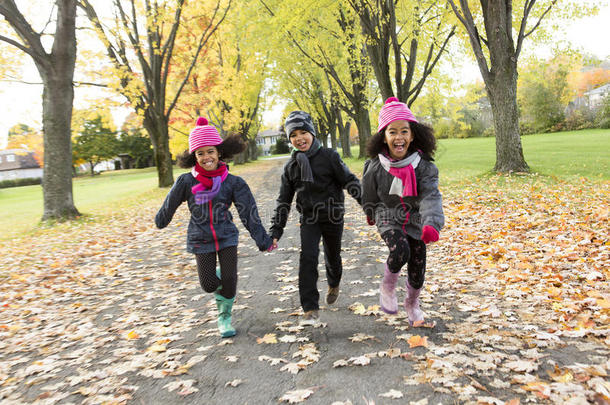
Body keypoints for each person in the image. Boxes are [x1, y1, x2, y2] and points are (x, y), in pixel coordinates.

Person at [155, 117, 274, 338]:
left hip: (226, 236)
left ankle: (224, 317)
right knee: (209, 284)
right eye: (200, 153)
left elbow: (249, 213)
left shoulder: (233, 182)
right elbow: (169, 204)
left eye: (210, 151)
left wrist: (263, 240)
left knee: (229, 281)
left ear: (219, 152)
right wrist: (161, 219)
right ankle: (218, 276)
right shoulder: (186, 182)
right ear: (194, 157)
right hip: (200, 238)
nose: (206, 157)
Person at [270, 110, 362, 324]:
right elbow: (283, 201)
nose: (299, 138)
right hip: (309, 219)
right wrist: (275, 231)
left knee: (333, 257)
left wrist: (368, 206)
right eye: (293, 135)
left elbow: (350, 181)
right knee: (308, 257)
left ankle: (334, 282)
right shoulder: (291, 167)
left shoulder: (329, 157)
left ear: (312, 132)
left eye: (303, 132)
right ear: (289, 139)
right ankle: (310, 307)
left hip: (333, 216)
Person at [362, 97, 444, 327]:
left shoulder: (424, 166)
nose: (399, 137)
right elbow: (368, 193)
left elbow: (430, 195)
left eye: (404, 131)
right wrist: (370, 211)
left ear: (413, 134)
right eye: (392, 132)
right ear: (384, 137)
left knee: (418, 265)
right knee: (401, 250)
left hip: (416, 218)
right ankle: (387, 287)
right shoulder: (376, 166)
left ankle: (412, 303)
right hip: (387, 214)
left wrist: (432, 224)